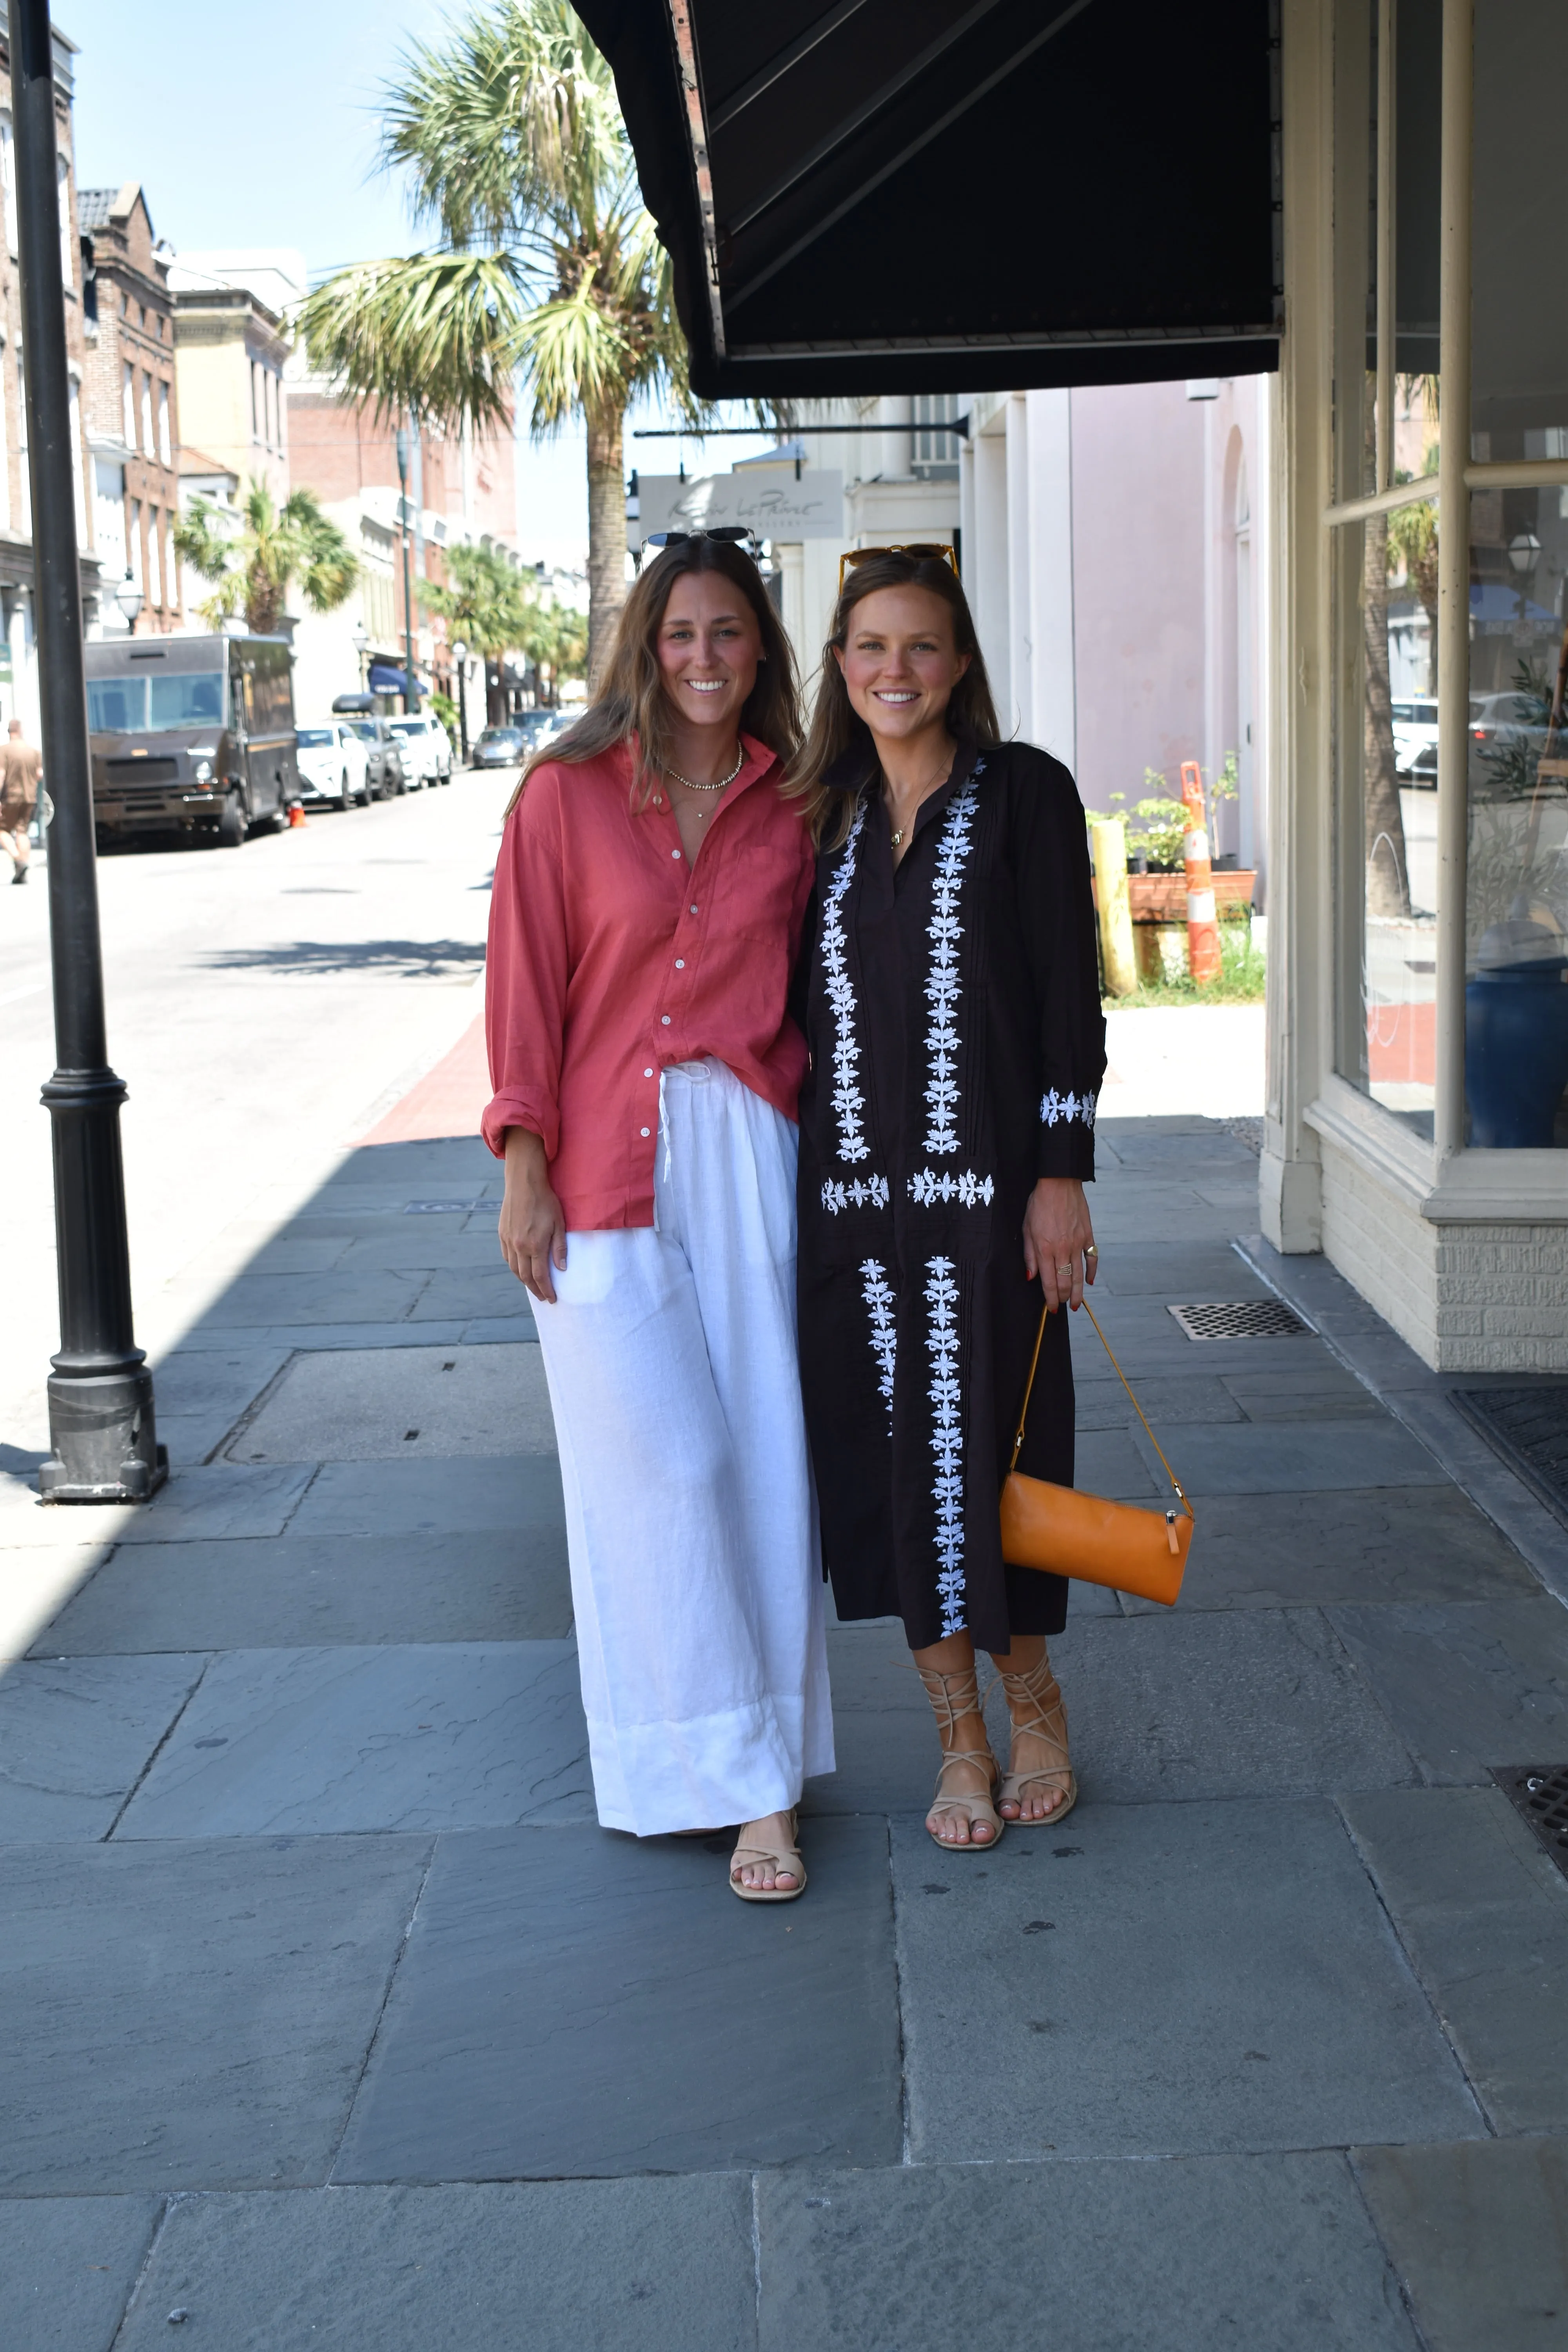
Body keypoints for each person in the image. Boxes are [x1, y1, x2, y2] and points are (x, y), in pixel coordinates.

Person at [484, 533, 833, 1902]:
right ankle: (698, 1760)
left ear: (762, 650)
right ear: (646, 642)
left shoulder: (797, 801)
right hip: (599, 1175)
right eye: (681, 632)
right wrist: (523, 1161)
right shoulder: (562, 800)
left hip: (749, 1156)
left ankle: (763, 1791)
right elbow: (525, 988)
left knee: (760, 1461)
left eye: (729, 634)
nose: (704, 657)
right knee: (662, 1471)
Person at [791, 548, 1106, 1850]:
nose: (895, 671)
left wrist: (1062, 1179)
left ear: (961, 661)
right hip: (857, 1209)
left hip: (993, 1207)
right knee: (885, 1460)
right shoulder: (822, 817)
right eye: (871, 647)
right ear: (841, 666)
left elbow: (1067, 995)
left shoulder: (1024, 793)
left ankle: (1034, 1704)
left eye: (921, 646)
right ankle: (958, 1744)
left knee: (1011, 1445)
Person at [0, 719, 41, 885]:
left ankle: (19, 860)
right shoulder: (33, 752)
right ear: (21, 731)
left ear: (10, 731)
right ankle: (21, 873)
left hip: (11, 797)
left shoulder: (4, 751)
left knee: (2, 831)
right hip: (30, 797)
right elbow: (40, 775)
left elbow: (1, 775)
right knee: (23, 832)